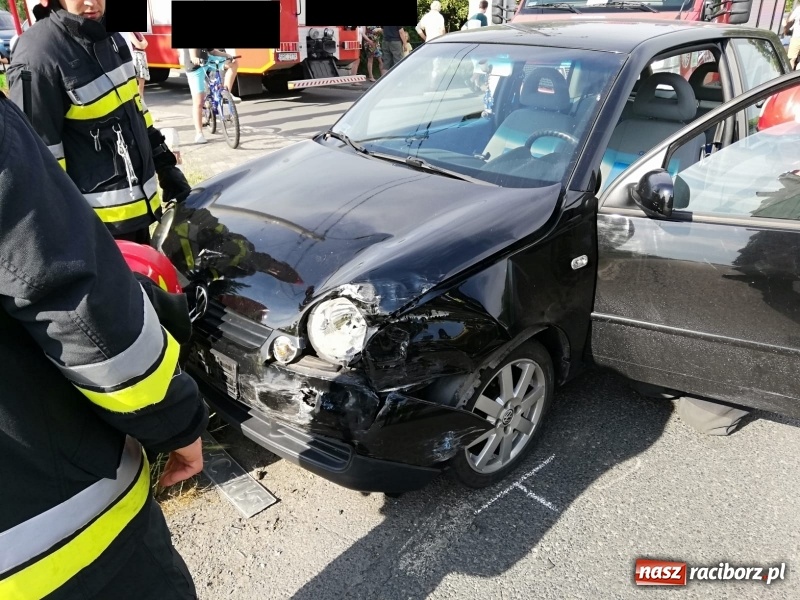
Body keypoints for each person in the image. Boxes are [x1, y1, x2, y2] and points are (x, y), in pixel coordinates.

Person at [0, 89, 208, 598]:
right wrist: (177, 424)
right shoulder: (42, 57)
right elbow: (80, 310)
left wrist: (168, 172)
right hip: (70, 534)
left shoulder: (109, 49)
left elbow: (135, 119)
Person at [7, 0, 190, 245]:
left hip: (139, 216)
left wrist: (165, 165)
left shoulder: (112, 37)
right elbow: (37, 161)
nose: (91, 2)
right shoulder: (38, 56)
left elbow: (136, 110)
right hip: (94, 233)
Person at [183, 48, 240, 145]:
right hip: (195, 67)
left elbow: (212, 51)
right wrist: (194, 57)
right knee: (199, 102)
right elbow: (193, 54)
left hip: (207, 60)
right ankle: (199, 134)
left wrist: (227, 56)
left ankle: (226, 93)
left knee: (233, 63)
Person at [124, 31, 150, 98]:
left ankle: (140, 102)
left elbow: (146, 44)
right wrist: (142, 44)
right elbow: (139, 45)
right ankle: (139, 102)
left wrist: (142, 44)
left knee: (140, 87)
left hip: (141, 57)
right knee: (138, 87)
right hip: (136, 57)